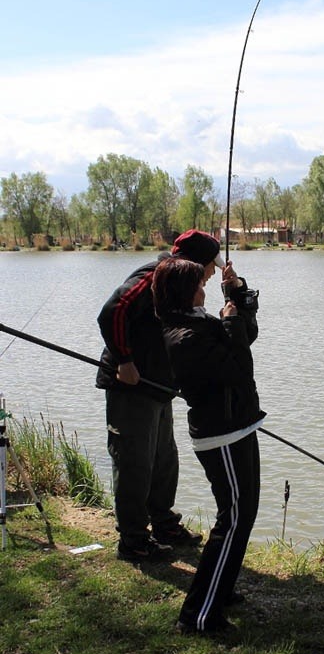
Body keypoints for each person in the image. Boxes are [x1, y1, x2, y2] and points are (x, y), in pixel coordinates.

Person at [95, 230, 225, 562]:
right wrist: (124, 360)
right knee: (135, 462)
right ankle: (134, 540)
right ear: (194, 262)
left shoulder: (183, 285)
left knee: (164, 459)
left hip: (158, 387)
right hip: (130, 385)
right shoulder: (151, 277)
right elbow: (112, 311)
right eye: (211, 264)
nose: (213, 272)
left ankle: (164, 523)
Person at [151, 254, 264, 635]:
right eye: (199, 283)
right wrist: (230, 319)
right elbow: (237, 367)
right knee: (231, 520)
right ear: (184, 293)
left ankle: (221, 589)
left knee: (243, 516)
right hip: (221, 436)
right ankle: (198, 617)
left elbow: (246, 337)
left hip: (240, 424)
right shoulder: (183, 337)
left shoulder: (196, 321)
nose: (205, 285)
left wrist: (238, 294)